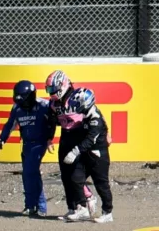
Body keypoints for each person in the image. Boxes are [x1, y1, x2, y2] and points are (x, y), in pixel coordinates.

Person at [46, 70, 112, 223]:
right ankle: (73, 207)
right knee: (65, 175)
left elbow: (97, 116)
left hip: (80, 137)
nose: (51, 93)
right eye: (49, 90)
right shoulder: (53, 104)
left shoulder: (78, 98)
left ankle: (88, 204)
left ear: (62, 85)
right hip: (66, 136)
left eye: (52, 89)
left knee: (78, 174)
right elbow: (51, 121)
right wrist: (50, 138)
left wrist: (106, 132)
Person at [0, 80, 56, 217]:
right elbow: (10, 124)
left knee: (31, 172)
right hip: (26, 144)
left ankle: (41, 207)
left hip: (39, 143)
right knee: (28, 175)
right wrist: (2, 139)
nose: (22, 104)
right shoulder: (16, 108)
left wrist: (49, 139)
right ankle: (30, 206)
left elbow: (53, 122)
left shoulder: (44, 105)